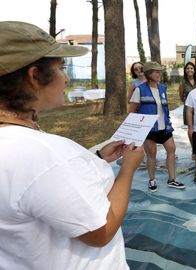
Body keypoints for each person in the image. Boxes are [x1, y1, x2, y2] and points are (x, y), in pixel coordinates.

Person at [0, 21, 144, 269]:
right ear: (34, 76)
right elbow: (101, 230)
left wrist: (96, 157)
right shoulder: (42, 156)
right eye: (61, 67)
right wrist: (128, 169)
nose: (66, 78)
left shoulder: (23, 146)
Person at [129, 61, 185, 191]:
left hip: (164, 127)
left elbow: (164, 109)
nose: (159, 73)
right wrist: (136, 131)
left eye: (160, 71)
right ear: (148, 73)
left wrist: (168, 122)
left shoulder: (162, 88)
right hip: (149, 129)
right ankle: (152, 180)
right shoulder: (139, 90)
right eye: (156, 71)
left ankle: (172, 179)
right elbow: (131, 112)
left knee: (171, 149)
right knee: (151, 154)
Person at [178, 62, 196, 158]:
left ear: (194, 70)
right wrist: (188, 103)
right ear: (185, 71)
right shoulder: (182, 82)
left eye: (191, 68)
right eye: (188, 68)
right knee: (191, 129)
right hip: (188, 108)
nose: (190, 70)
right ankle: (194, 150)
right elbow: (181, 97)